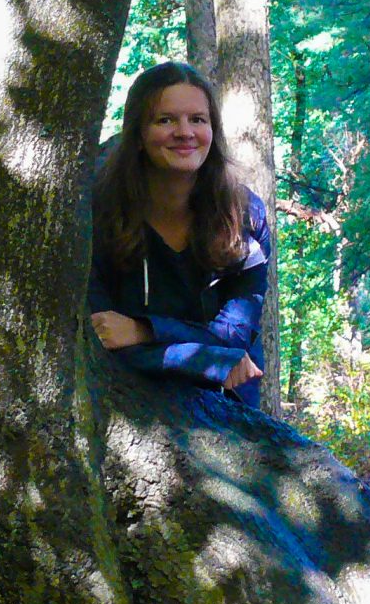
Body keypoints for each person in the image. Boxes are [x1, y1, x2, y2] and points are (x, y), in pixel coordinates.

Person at [89, 61, 270, 406]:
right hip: (130, 397)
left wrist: (143, 330)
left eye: (197, 120)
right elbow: (101, 336)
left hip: (227, 398)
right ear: (138, 134)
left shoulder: (244, 215)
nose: (184, 132)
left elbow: (235, 336)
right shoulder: (99, 211)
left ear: (212, 131)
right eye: (165, 120)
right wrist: (207, 359)